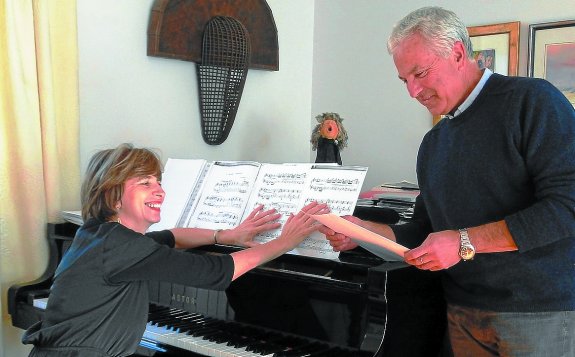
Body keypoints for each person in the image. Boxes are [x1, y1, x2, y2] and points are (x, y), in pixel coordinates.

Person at [321, 6, 575, 357]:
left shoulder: (533, 101)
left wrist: (464, 241)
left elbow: (566, 207)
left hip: (539, 314)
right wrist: (362, 231)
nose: (413, 91)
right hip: (461, 314)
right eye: (404, 80)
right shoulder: (434, 143)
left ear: (457, 53)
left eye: (420, 73)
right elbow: (424, 231)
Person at [22, 143, 328, 356]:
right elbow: (217, 271)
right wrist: (284, 242)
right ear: (114, 196)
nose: (159, 190)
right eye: (144, 183)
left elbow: (171, 236)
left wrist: (226, 234)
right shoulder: (123, 247)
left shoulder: (99, 236)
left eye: (158, 181)